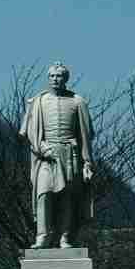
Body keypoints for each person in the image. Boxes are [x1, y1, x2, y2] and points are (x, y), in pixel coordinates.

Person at [19, 62, 94, 248]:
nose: (55, 79)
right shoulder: (38, 101)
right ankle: (42, 236)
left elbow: (85, 135)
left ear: (66, 79)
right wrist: (41, 147)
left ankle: (65, 237)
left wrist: (87, 163)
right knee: (44, 194)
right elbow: (30, 131)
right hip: (46, 155)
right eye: (52, 76)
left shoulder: (77, 101)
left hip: (70, 155)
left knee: (67, 197)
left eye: (59, 76)